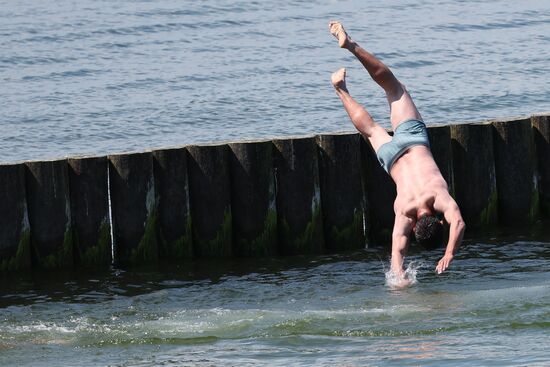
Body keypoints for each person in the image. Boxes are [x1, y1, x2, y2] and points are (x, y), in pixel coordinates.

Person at [329, 21, 466, 283]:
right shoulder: (404, 211)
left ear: (439, 223)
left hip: (414, 143)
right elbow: (397, 250)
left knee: (394, 88)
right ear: (416, 227)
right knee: (369, 129)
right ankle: (340, 89)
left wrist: (450, 252)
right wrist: (400, 277)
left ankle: (351, 46)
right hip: (391, 159)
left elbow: (458, 223)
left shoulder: (438, 197)